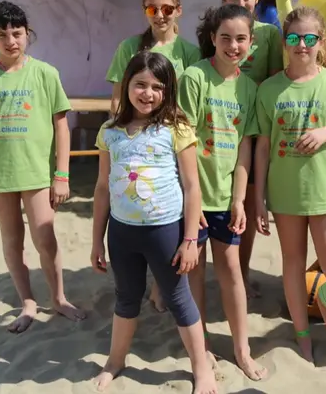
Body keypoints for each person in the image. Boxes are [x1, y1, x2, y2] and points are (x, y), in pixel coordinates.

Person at [90, 51, 217, 394]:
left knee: (178, 298)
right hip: (121, 233)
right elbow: (102, 188)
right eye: (140, 84)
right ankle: (115, 361)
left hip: (165, 231)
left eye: (157, 87)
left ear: (168, 91)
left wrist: (190, 239)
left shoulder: (175, 128)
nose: (148, 93)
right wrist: (96, 240)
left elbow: (192, 187)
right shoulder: (110, 132)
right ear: (127, 84)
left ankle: (201, 368)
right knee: (126, 297)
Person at [254, 6, 326, 361]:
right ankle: (301, 334)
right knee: (292, 262)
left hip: (325, 192)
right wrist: (258, 198)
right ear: (284, 42)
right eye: (293, 38)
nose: (301, 45)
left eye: (309, 38)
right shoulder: (270, 88)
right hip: (285, 196)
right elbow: (263, 147)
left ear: (321, 41)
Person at [0, 1, 85, 333]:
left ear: (28, 34)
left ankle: (58, 297)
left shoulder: (45, 73)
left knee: (45, 238)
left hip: (38, 174)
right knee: (11, 241)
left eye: (17, 33)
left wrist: (62, 175)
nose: (11, 40)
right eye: (2, 34)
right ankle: (26, 301)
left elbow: (61, 127)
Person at [177, 3, 267, 381]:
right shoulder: (195, 77)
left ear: (251, 42)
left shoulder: (249, 88)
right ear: (212, 38)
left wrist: (238, 199)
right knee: (193, 272)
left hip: (226, 198)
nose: (233, 45)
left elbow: (245, 146)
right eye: (225, 37)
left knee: (231, 270)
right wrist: (192, 200)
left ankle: (242, 348)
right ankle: (203, 346)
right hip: (193, 196)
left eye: (241, 38)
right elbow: (184, 141)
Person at [221, 0, 284, 298]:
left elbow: (274, 80)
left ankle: (241, 274)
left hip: (255, 130)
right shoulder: (218, 31)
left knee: (243, 202)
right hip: (219, 129)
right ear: (223, 0)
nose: (241, 2)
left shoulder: (269, 35)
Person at [106, 0, 201, 115]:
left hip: (173, 130)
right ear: (144, 11)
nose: (159, 16)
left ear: (178, 10)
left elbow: (193, 106)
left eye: (167, 9)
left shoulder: (192, 53)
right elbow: (117, 100)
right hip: (135, 131)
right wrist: (119, 132)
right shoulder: (128, 47)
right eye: (152, 10)